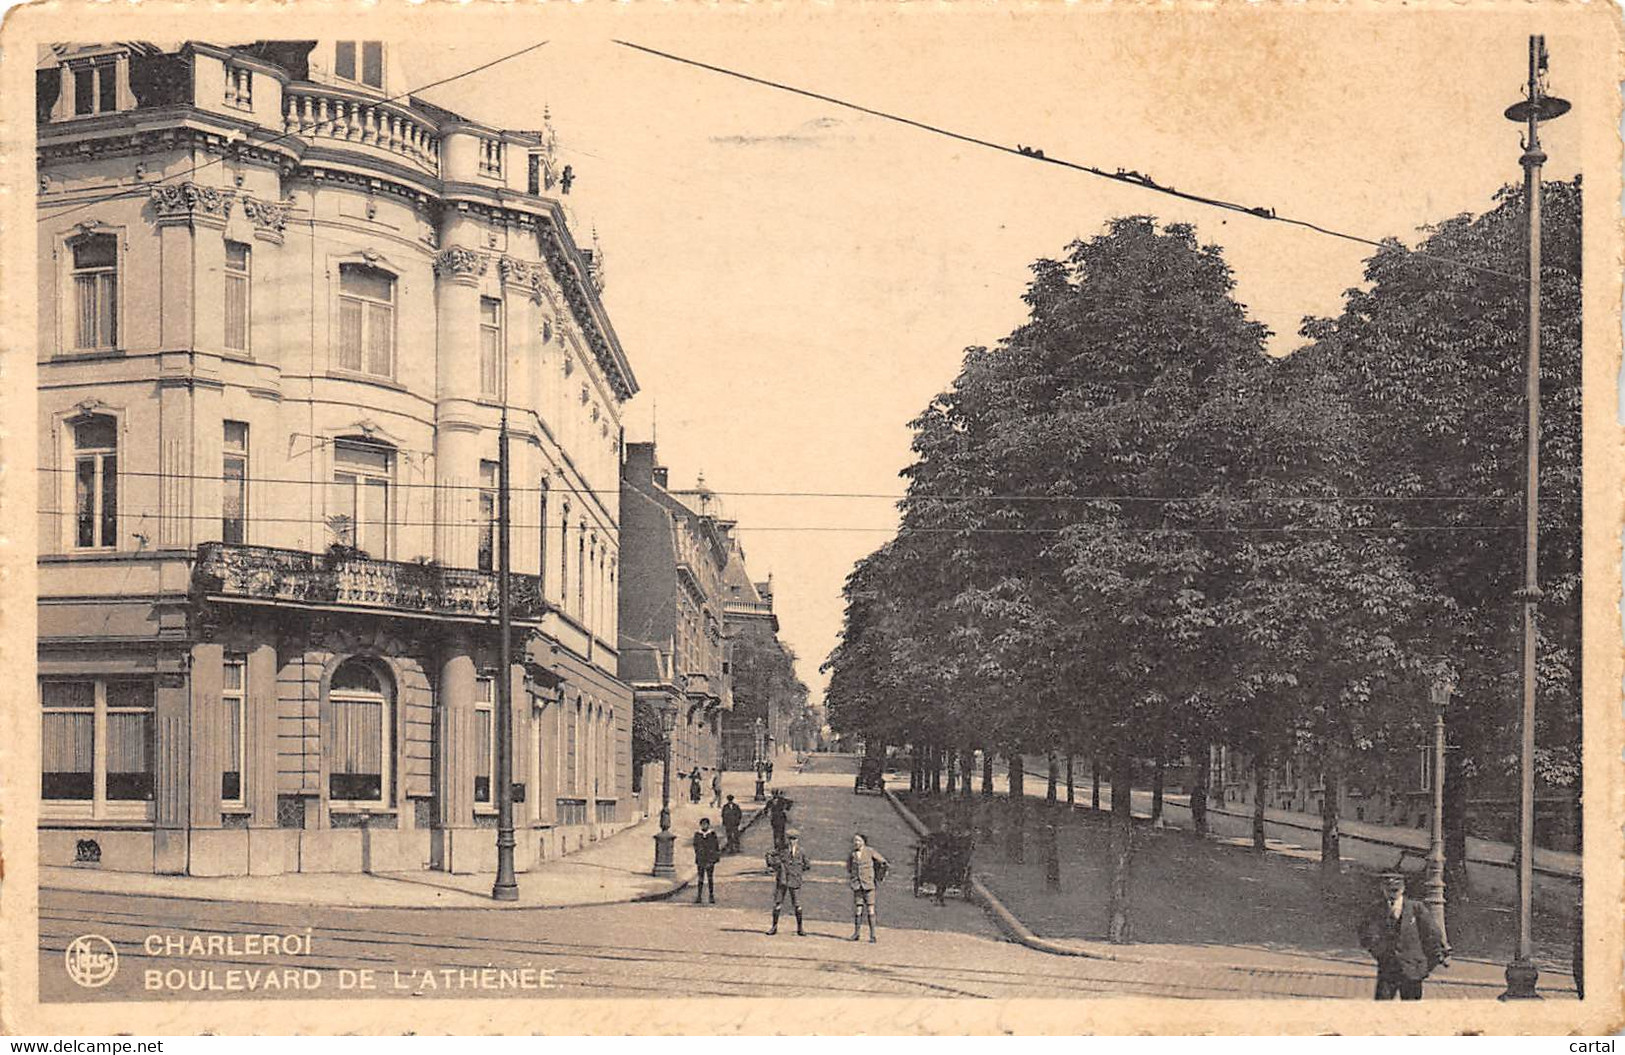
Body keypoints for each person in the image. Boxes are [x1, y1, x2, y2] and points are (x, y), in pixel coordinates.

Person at [1358, 871, 1447, 1000]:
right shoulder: (1376, 909)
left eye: (1395, 890)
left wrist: (1426, 966)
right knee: (1381, 1008)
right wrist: (1378, 951)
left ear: (1403, 889)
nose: (1392, 894)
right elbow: (1365, 932)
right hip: (1388, 969)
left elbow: (1433, 935)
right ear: (1382, 889)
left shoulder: (1416, 908)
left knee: (1411, 1010)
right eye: (1388, 890)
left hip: (1413, 970)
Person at [765, 829, 812, 936]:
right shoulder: (782, 850)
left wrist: (798, 872)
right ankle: (774, 927)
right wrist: (773, 866)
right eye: (790, 839)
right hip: (783, 880)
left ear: (798, 840)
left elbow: (807, 865)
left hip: (795, 881)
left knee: (797, 905)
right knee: (778, 903)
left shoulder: (801, 851)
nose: (792, 841)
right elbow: (769, 855)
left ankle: (800, 928)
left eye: (794, 839)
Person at [847, 832, 889, 943]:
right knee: (858, 909)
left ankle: (873, 935)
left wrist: (878, 876)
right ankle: (856, 933)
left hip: (869, 885)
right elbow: (849, 867)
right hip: (857, 885)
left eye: (859, 840)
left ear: (864, 842)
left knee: (870, 909)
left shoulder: (870, 851)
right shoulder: (852, 854)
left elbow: (883, 862)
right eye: (855, 841)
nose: (856, 843)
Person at [691, 818, 721, 904]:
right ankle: (699, 896)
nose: (704, 826)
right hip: (701, 860)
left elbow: (716, 847)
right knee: (700, 878)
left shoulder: (712, 834)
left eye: (706, 824)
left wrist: (714, 859)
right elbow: (695, 846)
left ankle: (711, 896)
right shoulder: (697, 835)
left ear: (708, 825)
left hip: (709, 860)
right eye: (702, 824)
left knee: (710, 878)